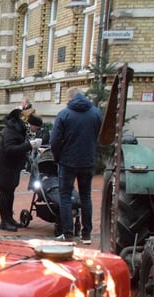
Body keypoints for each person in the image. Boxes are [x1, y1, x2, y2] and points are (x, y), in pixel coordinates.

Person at [50, 87, 103, 243]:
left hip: (67, 161)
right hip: (87, 160)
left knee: (65, 196)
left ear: (70, 98)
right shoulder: (96, 113)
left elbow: (54, 141)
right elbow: (100, 135)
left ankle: (68, 234)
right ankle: (86, 234)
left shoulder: (64, 114)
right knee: (86, 196)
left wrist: (57, 156)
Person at [0, 108, 42, 231]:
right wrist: (29, 145)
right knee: (5, 193)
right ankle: (4, 221)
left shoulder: (19, 129)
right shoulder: (11, 130)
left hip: (11, 166)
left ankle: (9, 218)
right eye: (36, 127)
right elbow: (9, 149)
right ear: (30, 124)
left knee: (10, 192)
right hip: (3, 166)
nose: (36, 130)